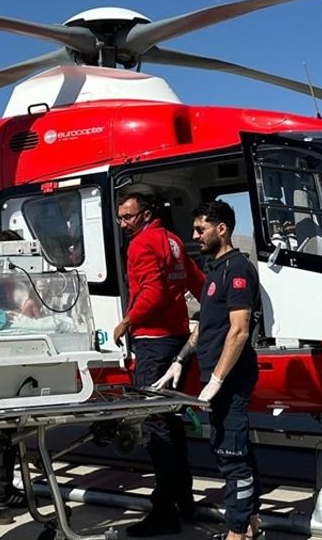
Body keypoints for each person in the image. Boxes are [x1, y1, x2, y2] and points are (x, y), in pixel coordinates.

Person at [156, 200, 260, 540]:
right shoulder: (214, 269)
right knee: (230, 448)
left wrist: (218, 378)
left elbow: (239, 329)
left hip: (231, 379)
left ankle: (236, 533)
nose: (194, 235)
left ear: (222, 228)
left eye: (201, 229)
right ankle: (250, 523)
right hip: (213, 376)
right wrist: (181, 359)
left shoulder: (238, 269)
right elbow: (205, 324)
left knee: (232, 456)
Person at [112, 192, 204, 536]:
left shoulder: (142, 244)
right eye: (121, 217)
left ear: (145, 214)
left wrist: (126, 321)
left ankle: (164, 511)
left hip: (153, 341)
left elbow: (151, 290)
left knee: (155, 426)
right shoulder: (173, 240)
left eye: (127, 217)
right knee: (171, 421)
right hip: (177, 337)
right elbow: (195, 280)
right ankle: (184, 501)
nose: (123, 223)